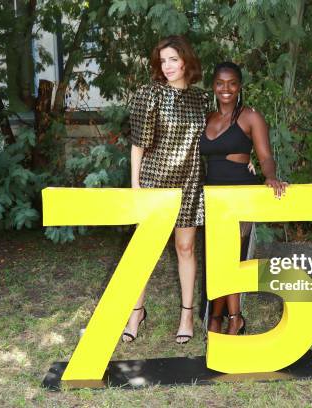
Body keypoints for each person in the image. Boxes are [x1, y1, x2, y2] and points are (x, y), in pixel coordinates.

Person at [125, 36, 209, 344]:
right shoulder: (151, 94)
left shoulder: (203, 99)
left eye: (173, 59)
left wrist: (245, 160)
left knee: (185, 249)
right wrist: (136, 186)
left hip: (189, 182)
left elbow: (215, 138)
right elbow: (138, 145)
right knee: (144, 251)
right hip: (154, 181)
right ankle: (136, 311)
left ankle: (186, 315)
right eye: (163, 61)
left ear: (186, 60)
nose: (168, 66)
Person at [200, 61, 287, 335]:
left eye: (232, 83)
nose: (226, 88)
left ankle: (233, 317)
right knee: (216, 257)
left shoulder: (250, 117)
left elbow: (265, 156)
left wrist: (270, 176)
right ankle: (217, 315)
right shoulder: (208, 117)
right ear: (213, 86)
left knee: (231, 257)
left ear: (240, 86)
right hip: (213, 196)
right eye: (220, 83)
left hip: (240, 194)